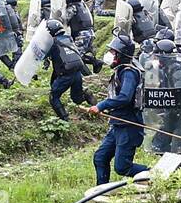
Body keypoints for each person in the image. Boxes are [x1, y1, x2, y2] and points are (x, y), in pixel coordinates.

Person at [84, 34, 149, 185]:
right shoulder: (121, 70)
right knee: (100, 157)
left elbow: (125, 97)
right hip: (118, 125)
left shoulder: (129, 72)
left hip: (129, 125)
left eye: (113, 53)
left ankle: (158, 174)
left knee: (122, 168)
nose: (109, 55)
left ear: (121, 55)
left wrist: (101, 106)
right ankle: (100, 192)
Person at [44, 18, 89, 121]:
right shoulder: (68, 38)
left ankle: (65, 120)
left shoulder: (52, 43)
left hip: (65, 75)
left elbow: (41, 55)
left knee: (53, 97)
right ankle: (86, 95)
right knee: (77, 99)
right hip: (77, 73)